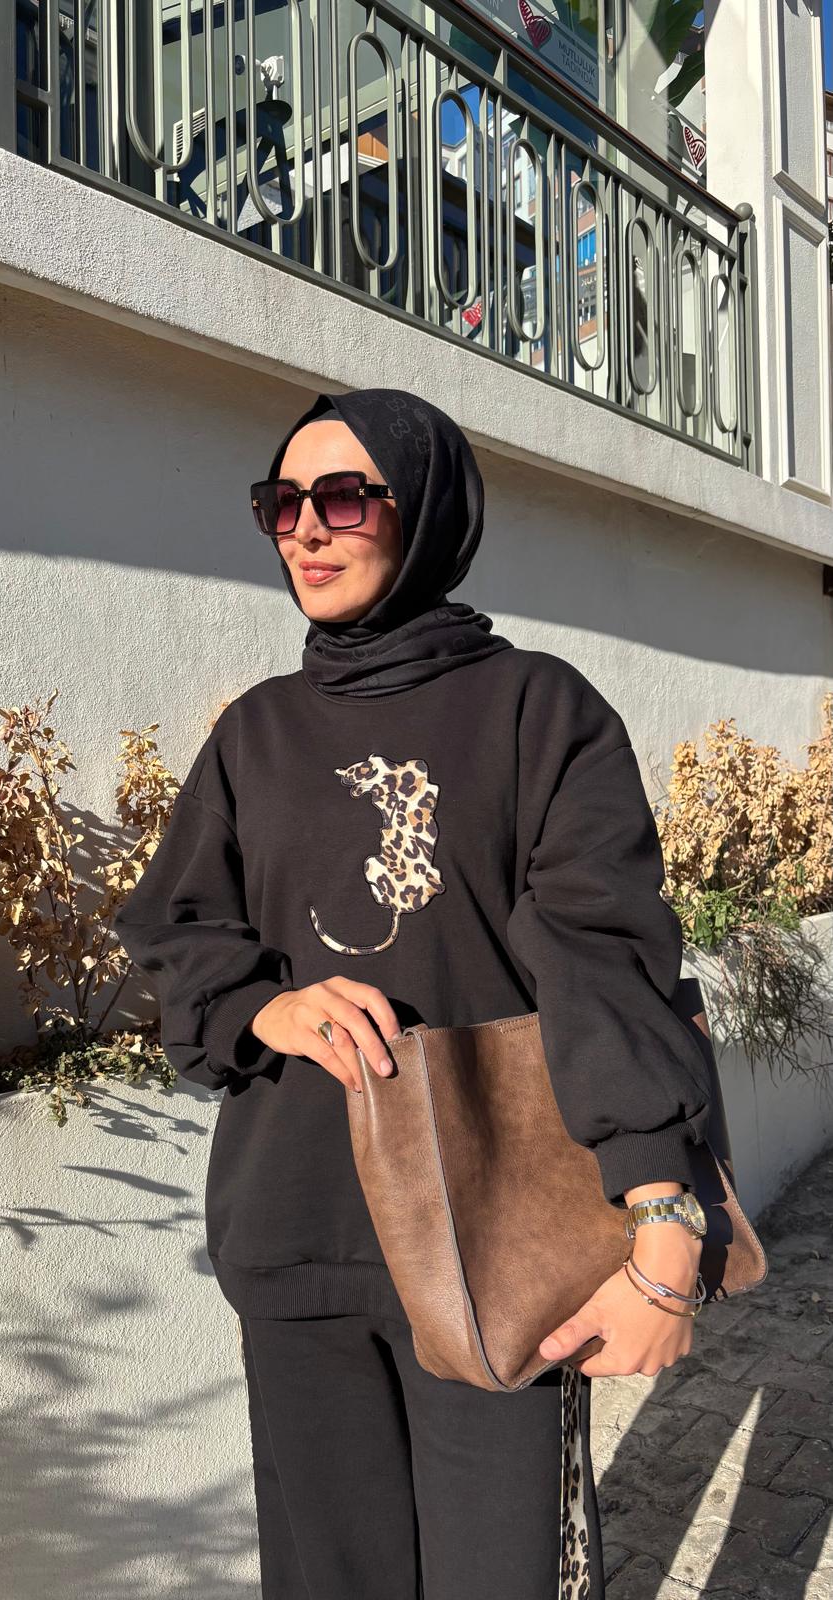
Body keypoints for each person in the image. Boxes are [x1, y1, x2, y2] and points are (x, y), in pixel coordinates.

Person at [111, 386, 712, 1600]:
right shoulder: (255, 735)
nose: (305, 528)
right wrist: (259, 1006)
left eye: (342, 497)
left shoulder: (538, 711)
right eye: (282, 502)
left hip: (492, 1244)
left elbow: (603, 958)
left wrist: (665, 1215)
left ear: (427, 508)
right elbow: (175, 925)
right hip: (294, 1238)